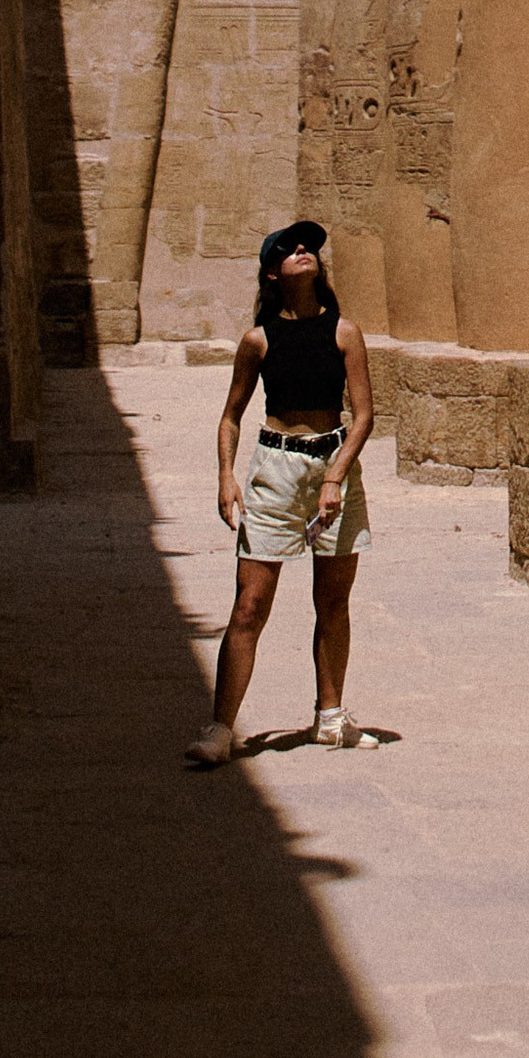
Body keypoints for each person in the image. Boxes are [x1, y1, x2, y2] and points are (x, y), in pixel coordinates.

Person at [185, 219, 375, 767]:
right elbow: (230, 417)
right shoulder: (258, 340)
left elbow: (363, 414)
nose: (302, 252)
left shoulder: (345, 333)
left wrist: (336, 476)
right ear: (272, 272)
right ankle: (221, 728)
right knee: (250, 605)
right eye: (290, 250)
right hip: (276, 470)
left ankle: (330, 717)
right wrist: (226, 477)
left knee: (332, 600)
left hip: (333, 464)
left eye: (309, 248)